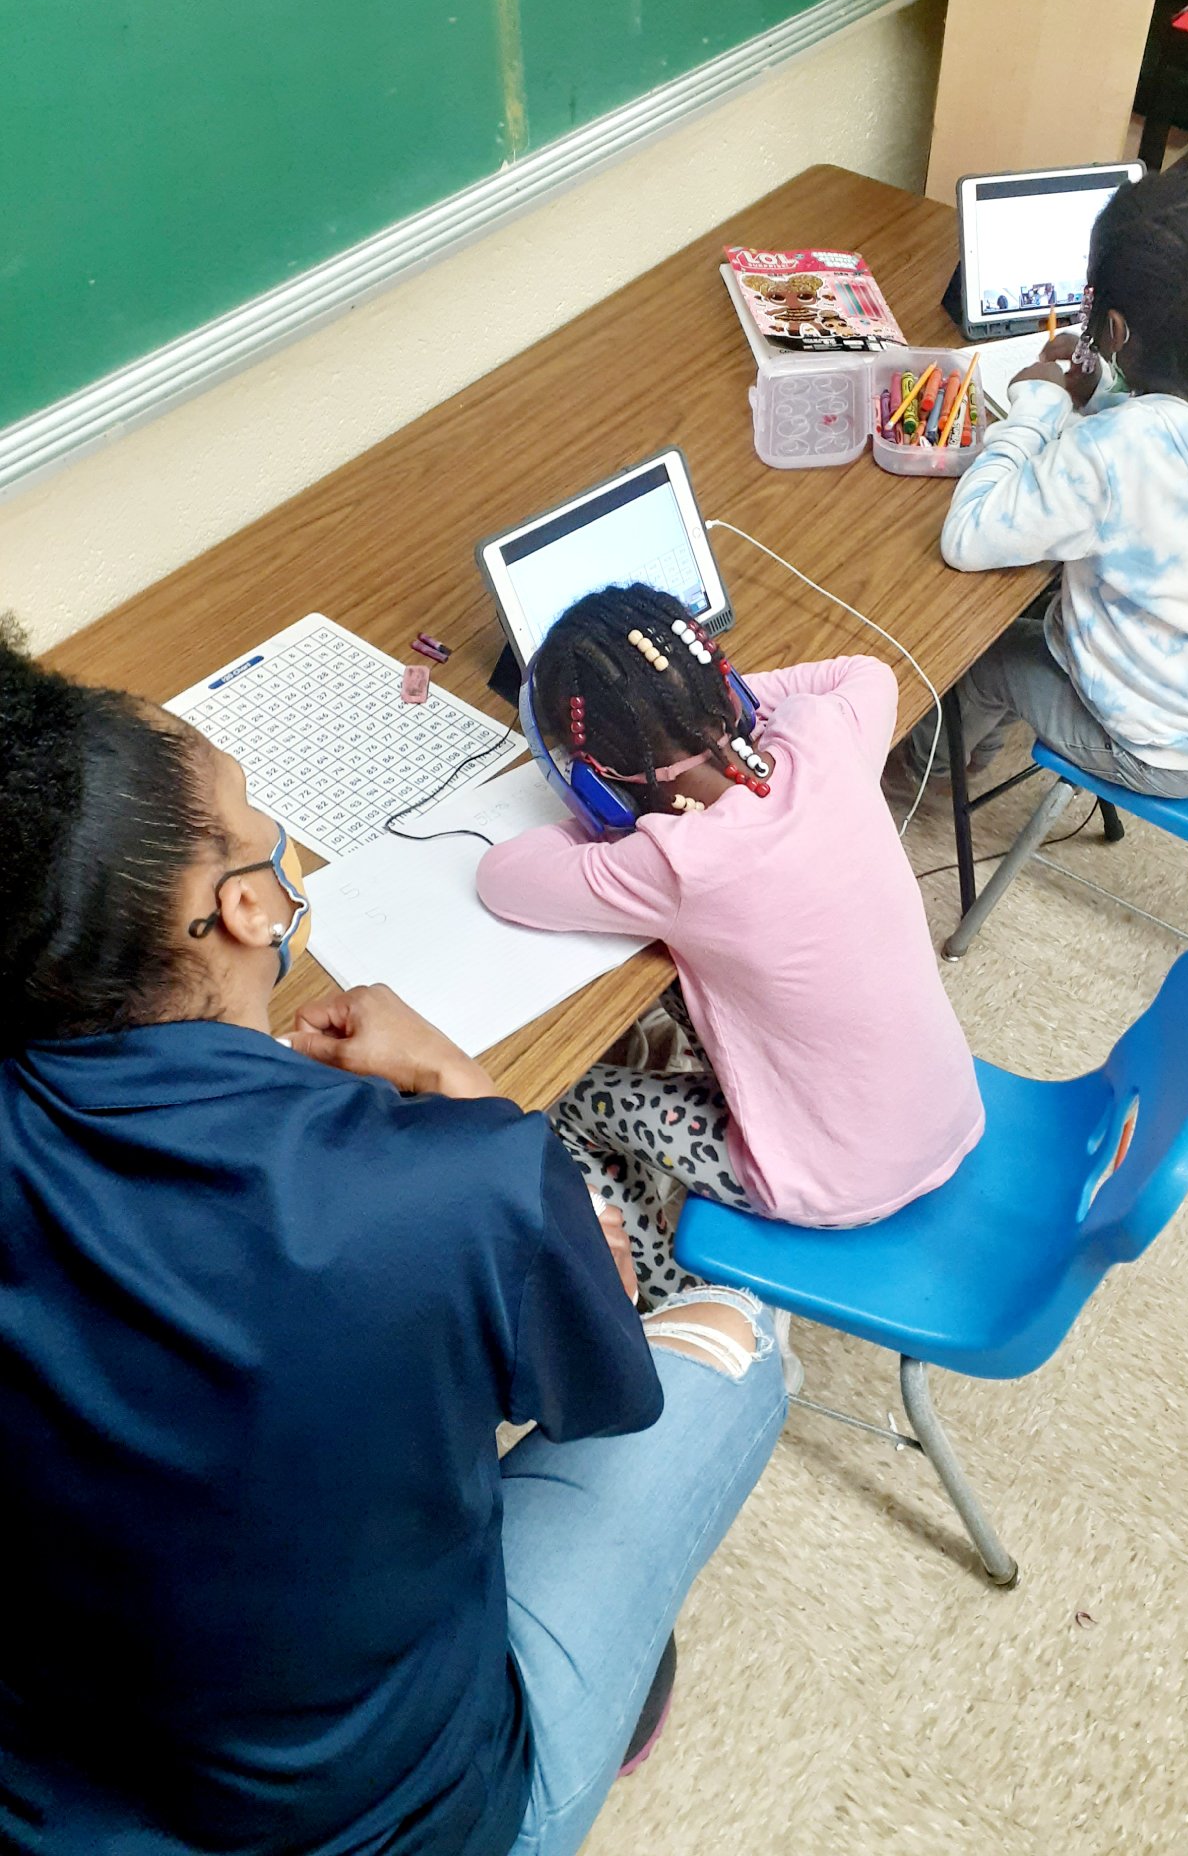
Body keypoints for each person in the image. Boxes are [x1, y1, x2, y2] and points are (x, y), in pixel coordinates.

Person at [0, 625, 784, 1856]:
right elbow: (598, 1371)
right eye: (258, 824)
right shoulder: (462, 1183)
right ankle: (593, 1708)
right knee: (742, 1338)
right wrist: (468, 1087)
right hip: (410, 1819)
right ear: (248, 907)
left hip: (75, 1814)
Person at [476, 582, 983, 1301]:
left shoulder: (676, 862)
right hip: (945, 1108)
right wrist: (713, 716)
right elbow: (865, 672)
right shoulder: (825, 737)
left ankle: (683, 1304)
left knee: (574, 1103)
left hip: (840, 1178)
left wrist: (602, 805)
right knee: (697, 986)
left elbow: (505, 877)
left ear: (605, 776)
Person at [927, 168, 1188, 799]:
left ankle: (917, 784)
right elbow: (1185, 448)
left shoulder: (1112, 454)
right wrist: (1110, 392)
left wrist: (1037, 405)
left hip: (1175, 752)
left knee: (982, 662)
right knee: (1036, 619)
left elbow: (969, 535)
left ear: (1114, 331)